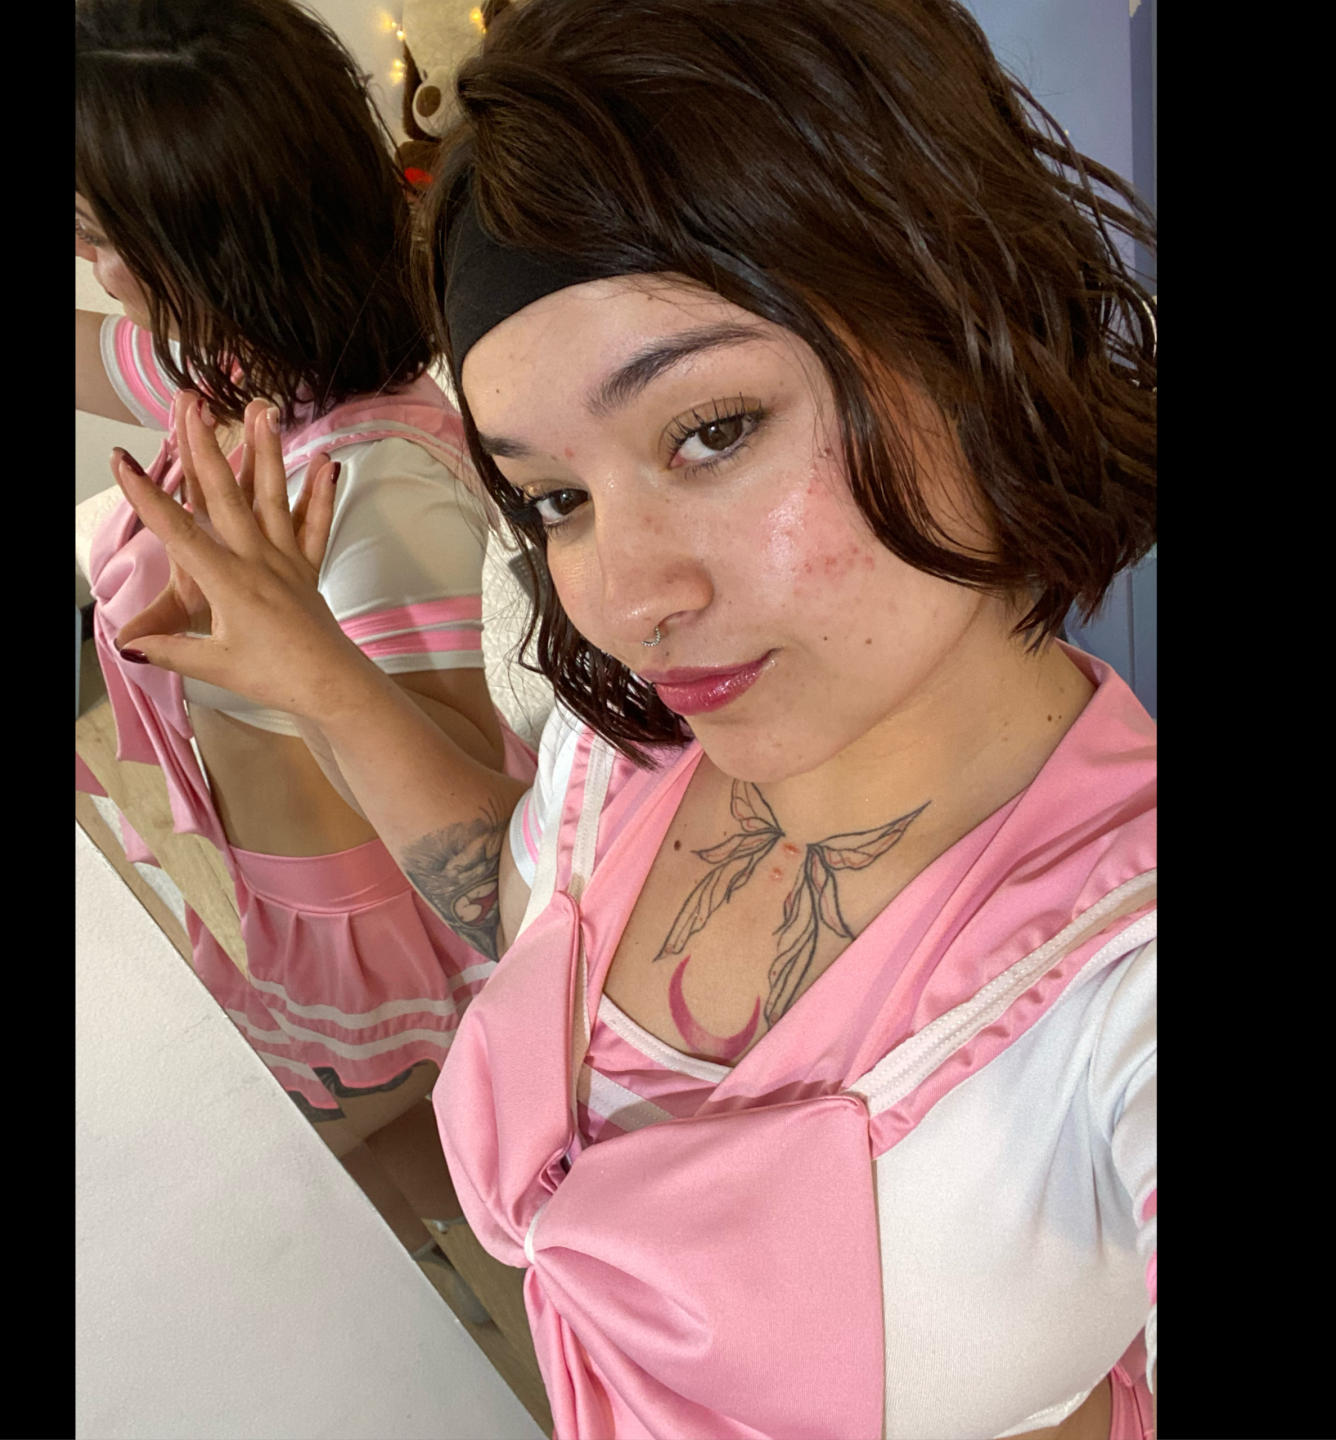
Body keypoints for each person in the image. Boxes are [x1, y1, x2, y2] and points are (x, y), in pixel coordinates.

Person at [109, 0, 1157, 1434]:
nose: (623, 597)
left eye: (713, 430)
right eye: (559, 499)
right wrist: (312, 671)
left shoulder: (1121, 981)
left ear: (971, 324)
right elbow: (531, 907)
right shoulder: (625, 757)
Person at [75, 0, 537, 1253]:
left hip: (376, 966)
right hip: (286, 918)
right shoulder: (237, 370)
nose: (92, 267)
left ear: (198, 243)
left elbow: (488, 840)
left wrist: (304, 658)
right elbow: (91, 354)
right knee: (379, 1195)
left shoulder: (375, 499)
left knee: (309, 1206)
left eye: (99, 237)